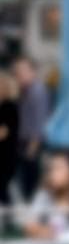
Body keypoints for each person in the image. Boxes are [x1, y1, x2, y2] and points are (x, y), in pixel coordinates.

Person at [13, 57, 50, 201]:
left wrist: (31, 151)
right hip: (23, 145)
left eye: (22, 71)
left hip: (32, 146)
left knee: (31, 189)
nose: (18, 75)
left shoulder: (38, 91)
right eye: (16, 72)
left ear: (33, 72)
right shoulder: (24, 92)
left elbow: (40, 124)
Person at [0, 69, 19, 207]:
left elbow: (3, 133)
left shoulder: (10, 108)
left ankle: (10, 219)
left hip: (6, 158)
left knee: (3, 191)